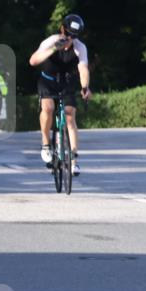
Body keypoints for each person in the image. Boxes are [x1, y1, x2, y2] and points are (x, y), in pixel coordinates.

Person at [29, 14, 91, 175]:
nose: (70, 38)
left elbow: (83, 68)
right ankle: (45, 143)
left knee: (70, 116)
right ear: (62, 29)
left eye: (74, 36)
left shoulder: (80, 47)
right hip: (47, 81)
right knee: (48, 108)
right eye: (68, 34)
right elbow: (33, 61)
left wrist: (85, 87)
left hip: (66, 82)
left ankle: (74, 160)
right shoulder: (51, 41)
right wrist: (54, 48)